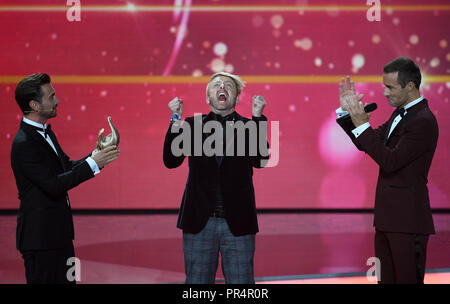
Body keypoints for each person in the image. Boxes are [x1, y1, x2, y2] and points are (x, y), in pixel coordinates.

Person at [336, 57, 438, 284]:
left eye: (390, 87)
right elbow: (366, 142)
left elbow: (390, 161)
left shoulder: (423, 121)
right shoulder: (401, 114)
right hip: (388, 219)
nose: (384, 93)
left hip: (408, 221)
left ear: (410, 86)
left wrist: (362, 123)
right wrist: (348, 115)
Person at [11, 73, 120, 284]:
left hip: (59, 235)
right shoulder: (24, 143)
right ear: (34, 105)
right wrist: (94, 163)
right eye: (51, 96)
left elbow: (65, 167)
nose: (57, 100)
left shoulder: (46, 133)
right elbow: (53, 185)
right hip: (41, 241)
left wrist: (97, 155)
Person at [163, 72, 269, 284]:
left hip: (238, 223)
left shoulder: (249, 126)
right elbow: (171, 160)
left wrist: (258, 118)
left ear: (237, 97)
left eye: (229, 85)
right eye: (217, 85)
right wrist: (176, 119)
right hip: (199, 222)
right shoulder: (193, 125)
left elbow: (261, 160)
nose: (222, 87)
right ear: (208, 97)